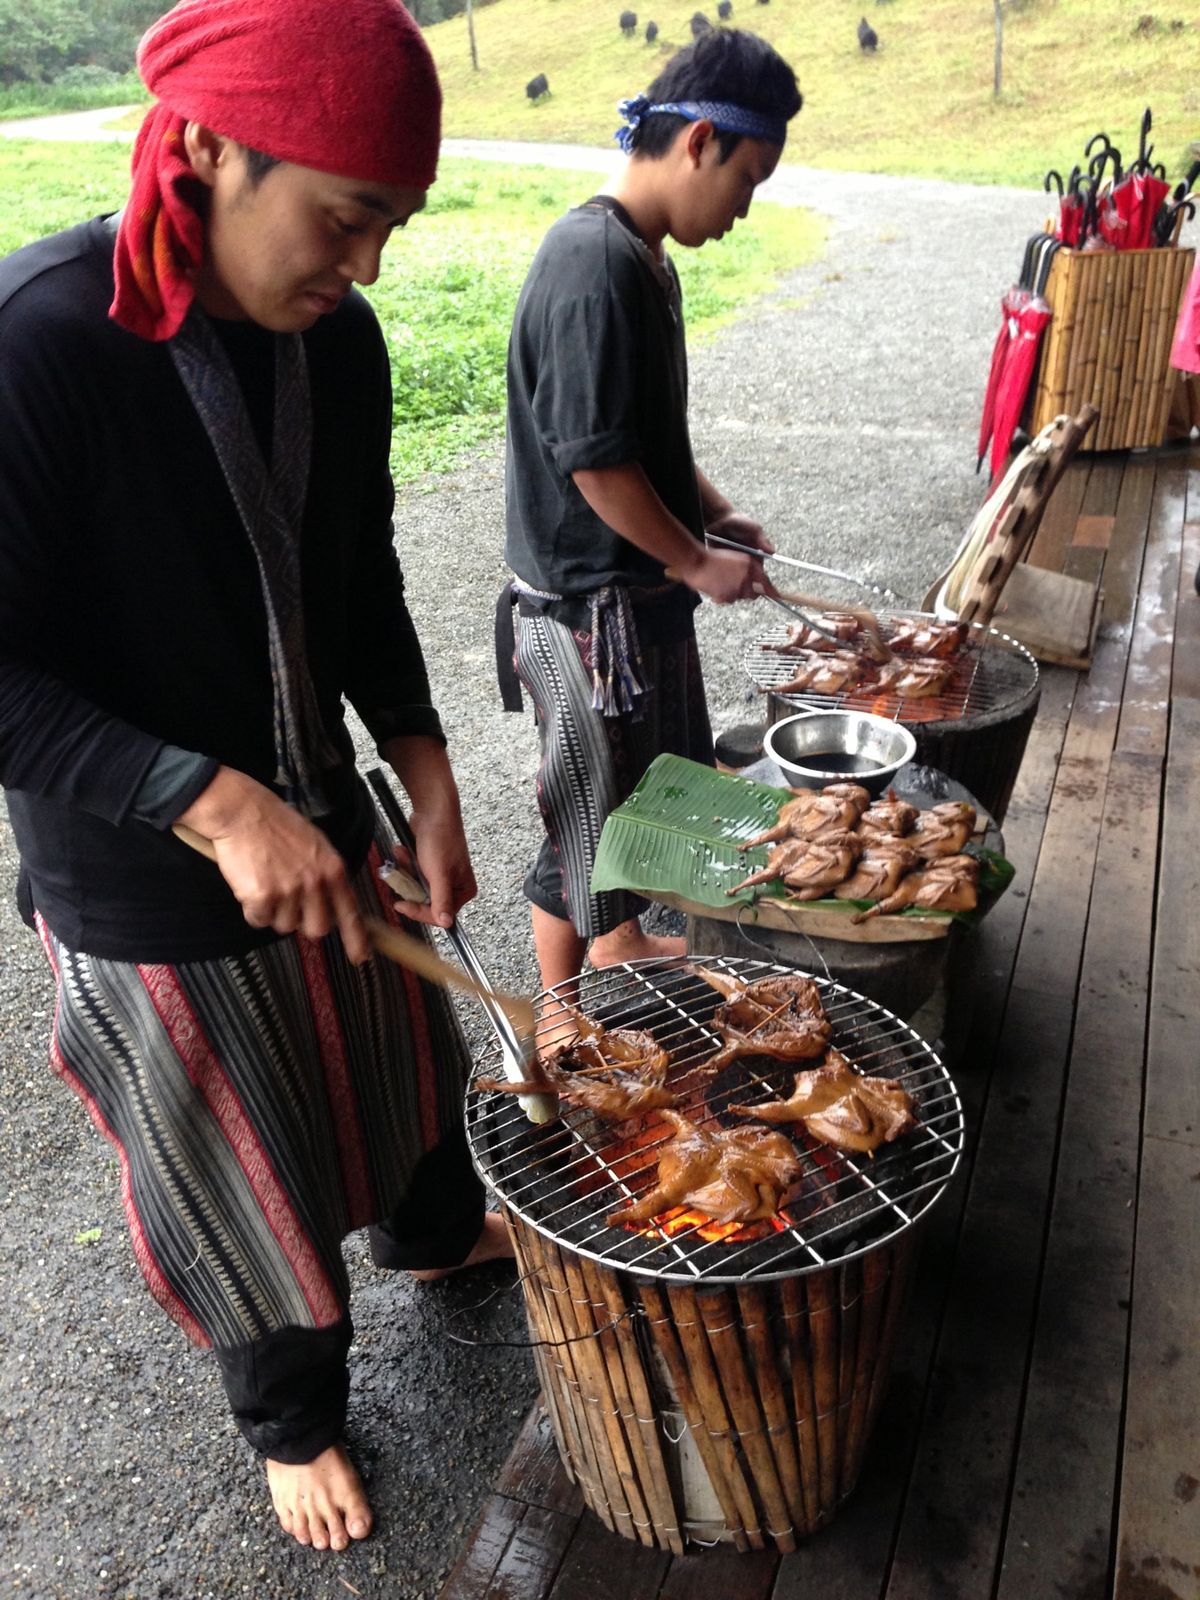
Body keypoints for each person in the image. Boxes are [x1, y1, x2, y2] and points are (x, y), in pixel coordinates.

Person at [0, 0, 511, 1556]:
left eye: (392, 230)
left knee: (401, 1050)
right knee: (239, 1152)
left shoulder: (335, 344)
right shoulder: (41, 342)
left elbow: (355, 576)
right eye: (348, 218)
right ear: (212, 146)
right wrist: (210, 802)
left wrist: (419, 758)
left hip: (320, 808)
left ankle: (435, 1239)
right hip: (146, 866)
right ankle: (292, 1418)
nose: (364, 268)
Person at [499, 28, 803, 993]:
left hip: (637, 594)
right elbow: (595, 467)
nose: (745, 211)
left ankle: (617, 944)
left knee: (645, 793)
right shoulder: (592, 262)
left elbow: (644, 439)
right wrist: (693, 559)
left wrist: (716, 519)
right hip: (591, 614)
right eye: (748, 180)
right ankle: (558, 1009)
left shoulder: (641, 255)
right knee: (589, 815)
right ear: (701, 141)